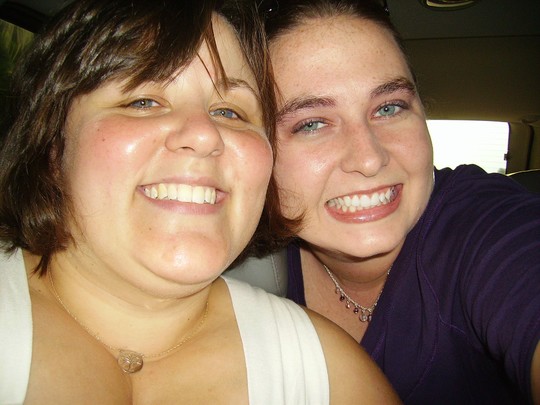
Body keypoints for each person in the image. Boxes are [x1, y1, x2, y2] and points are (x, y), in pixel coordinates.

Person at [0, 0, 401, 403]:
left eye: (230, 111)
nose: (206, 134)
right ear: (53, 149)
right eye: (143, 102)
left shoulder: (331, 377)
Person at [256, 0, 540, 403]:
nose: (369, 158)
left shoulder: (485, 226)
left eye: (388, 108)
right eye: (312, 123)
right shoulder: (238, 266)